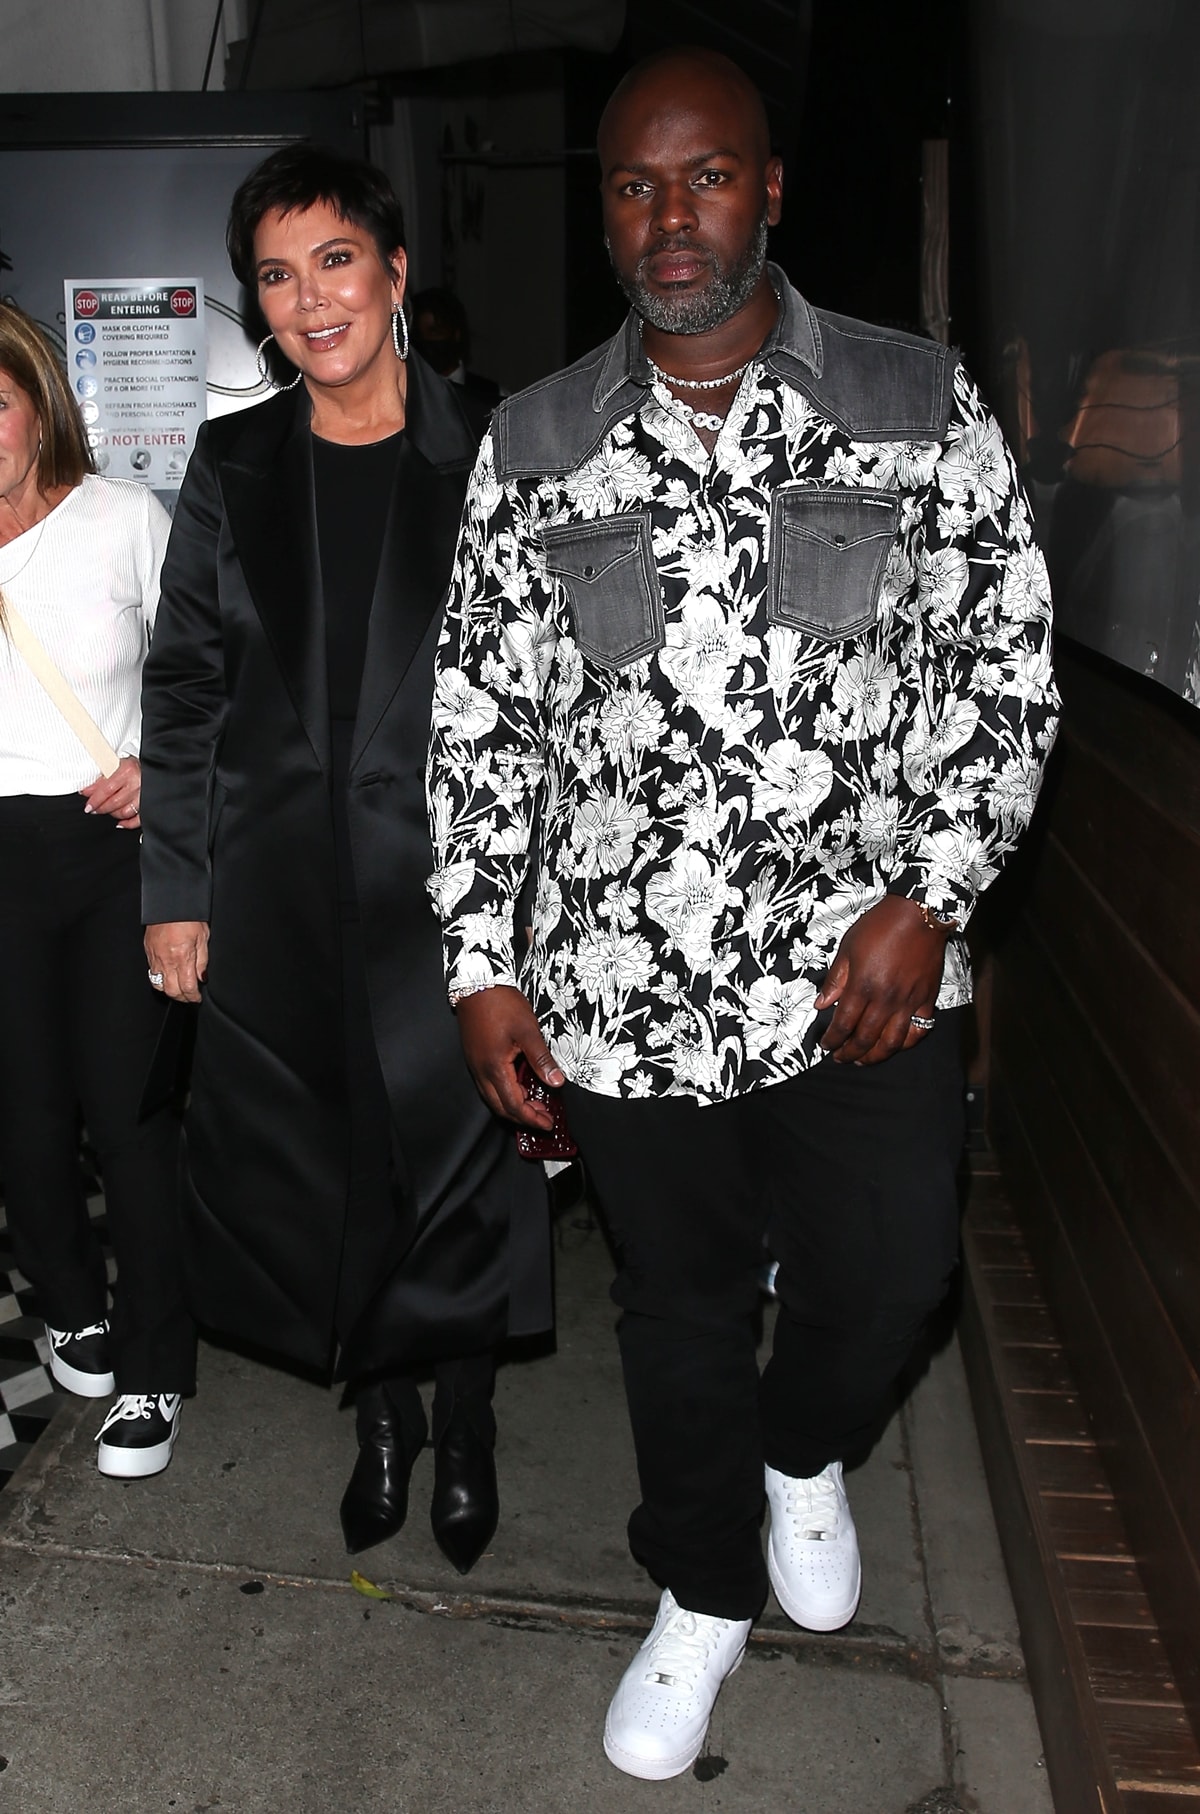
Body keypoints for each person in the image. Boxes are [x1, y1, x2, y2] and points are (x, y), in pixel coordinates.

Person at [427, 47, 1059, 1777]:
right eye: (636, 183)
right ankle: (701, 1590)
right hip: (622, 991)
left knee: (893, 1271)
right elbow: (484, 713)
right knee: (678, 1305)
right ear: (610, 209)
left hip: (857, 979)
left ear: (769, 188)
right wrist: (483, 962)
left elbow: (1003, 671)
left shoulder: (912, 402)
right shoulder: (539, 440)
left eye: (705, 177)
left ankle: (802, 1451)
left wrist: (933, 891)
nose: (670, 213)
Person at [138, 144, 550, 1572]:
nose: (309, 297)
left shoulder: (497, 448)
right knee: (330, 1163)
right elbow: (185, 681)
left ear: (393, 272)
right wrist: (178, 889)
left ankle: (470, 1415)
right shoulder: (234, 459)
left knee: (460, 1162)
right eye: (275, 271)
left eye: (334, 260)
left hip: (456, 891)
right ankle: (383, 1420)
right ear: (255, 302)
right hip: (277, 888)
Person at [0, 302, 195, 1478]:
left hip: (106, 843)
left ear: (38, 403)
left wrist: (165, 770)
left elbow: (204, 672)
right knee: (22, 1117)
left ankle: (159, 1361)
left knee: (129, 1120)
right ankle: (71, 1302)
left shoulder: (124, 518)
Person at [410, 287, 502, 439]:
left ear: (456, 333)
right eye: (419, 335)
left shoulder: (494, 394)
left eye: (434, 331)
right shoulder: (406, 394)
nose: (426, 343)